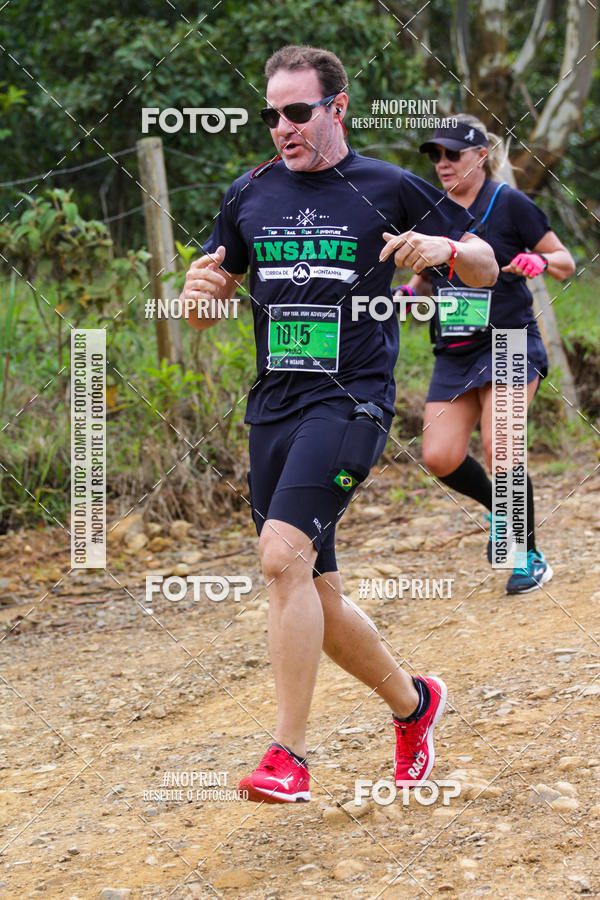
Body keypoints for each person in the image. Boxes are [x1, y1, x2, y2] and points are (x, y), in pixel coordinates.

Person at [181, 48, 498, 803]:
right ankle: (415, 704)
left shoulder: (388, 185)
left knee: (279, 558)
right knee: (313, 587)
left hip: (350, 399)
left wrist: (447, 247)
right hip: (274, 405)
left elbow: (486, 262)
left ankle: (289, 755)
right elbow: (207, 299)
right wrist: (199, 293)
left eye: (298, 112)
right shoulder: (248, 193)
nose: (282, 128)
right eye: (272, 115)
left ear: (338, 108)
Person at [396, 115, 575, 594]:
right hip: (455, 348)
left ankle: (527, 555)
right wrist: (408, 294)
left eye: (452, 153)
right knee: (439, 456)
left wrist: (541, 262)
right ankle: (502, 508)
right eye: (435, 155)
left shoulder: (509, 203)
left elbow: (565, 261)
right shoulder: (430, 208)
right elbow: (427, 273)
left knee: (502, 447)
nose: (442, 163)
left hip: (510, 339)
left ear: (481, 155)